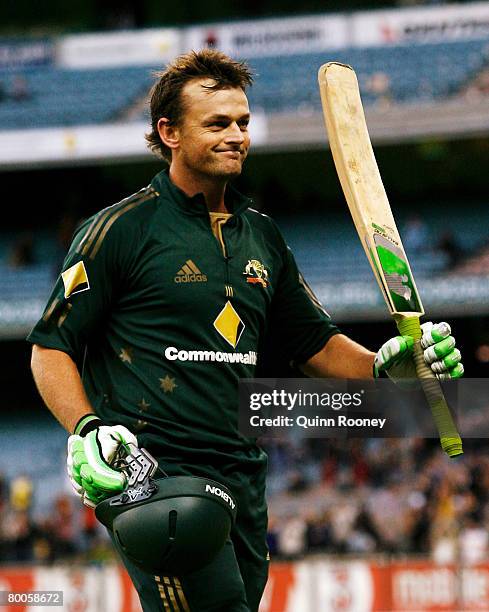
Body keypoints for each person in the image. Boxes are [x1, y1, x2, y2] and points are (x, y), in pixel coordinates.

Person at [28, 49, 463, 612]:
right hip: (153, 473)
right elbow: (50, 348)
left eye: (243, 123)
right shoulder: (119, 229)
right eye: (217, 124)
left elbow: (315, 346)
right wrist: (86, 427)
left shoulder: (263, 237)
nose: (236, 135)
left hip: (242, 473)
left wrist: (385, 368)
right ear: (170, 133)